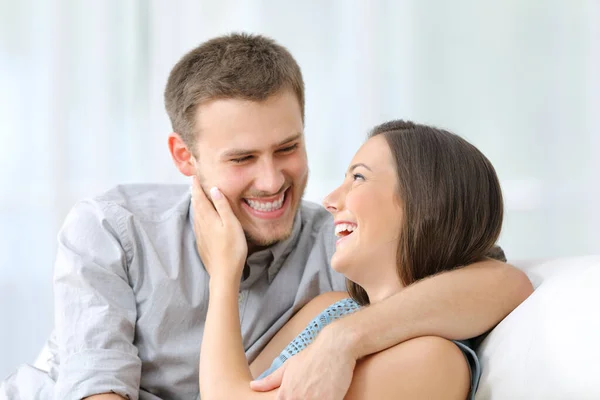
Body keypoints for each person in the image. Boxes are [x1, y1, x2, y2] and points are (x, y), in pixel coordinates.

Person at [0, 33, 532, 400]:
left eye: (287, 148)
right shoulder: (115, 228)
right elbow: (99, 388)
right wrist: (224, 269)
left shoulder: (344, 248)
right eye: (241, 159)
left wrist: (346, 339)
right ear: (185, 157)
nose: (273, 180)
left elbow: (499, 280)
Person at [195, 119, 506, 399]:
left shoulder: (433, 362)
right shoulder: (329, 310)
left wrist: (224, 273)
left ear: (427, 204)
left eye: (358, 177)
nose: (329, 201)